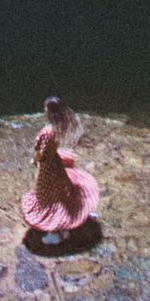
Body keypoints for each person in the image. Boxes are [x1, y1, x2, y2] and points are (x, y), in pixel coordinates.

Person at [23, 100, 99, 245]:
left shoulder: (47, 131)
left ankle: (55, 232)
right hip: (56, 163)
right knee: (66, 188)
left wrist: (35, 161)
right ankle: (79, 214)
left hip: (49, 167)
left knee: (49, 197)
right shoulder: (61, 126)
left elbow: (41, 152)